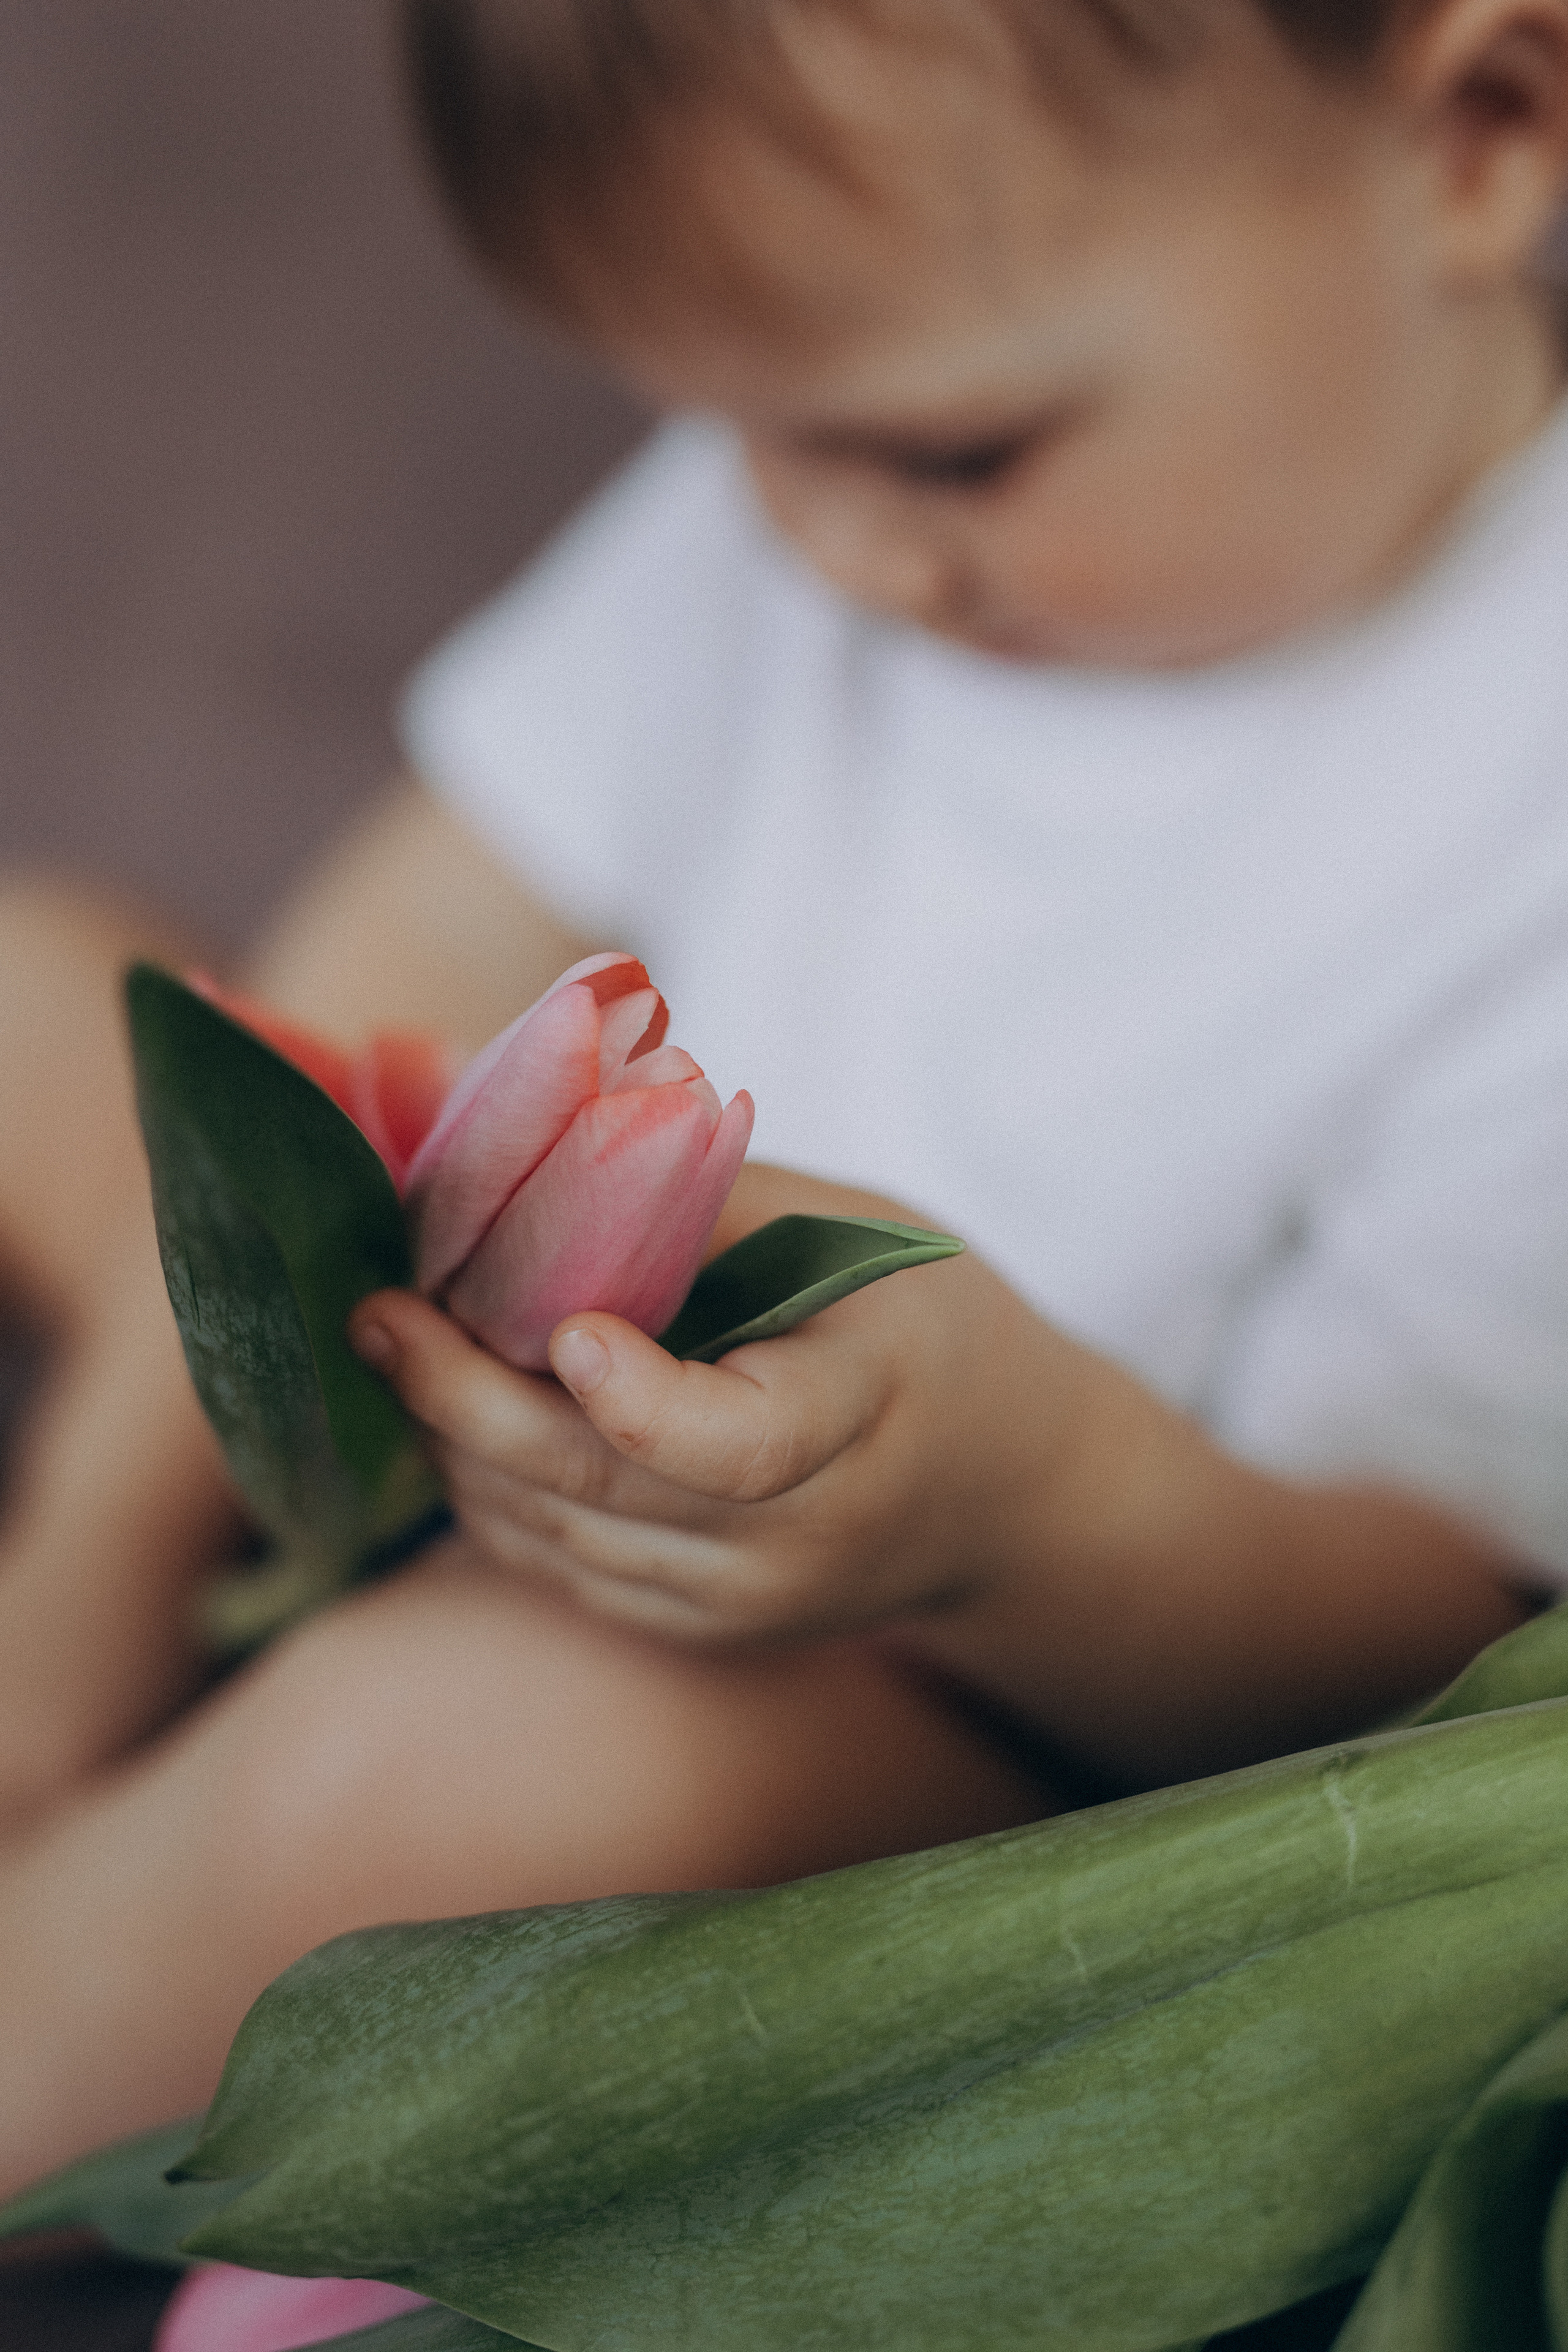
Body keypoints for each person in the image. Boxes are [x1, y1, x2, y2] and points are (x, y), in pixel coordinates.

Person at [1, 0, 1566, 2205]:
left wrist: (1027, 1502)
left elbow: (1428, 1653)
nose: (824, 549)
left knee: (482, 1767)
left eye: (956, 457)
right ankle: (131, 1640)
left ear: (1487, 136)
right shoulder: (841, 416)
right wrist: (101, 1548)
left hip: (965, 1681)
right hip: (457, 1375)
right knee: (36, 982)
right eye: (729, 430)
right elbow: (405, 952)